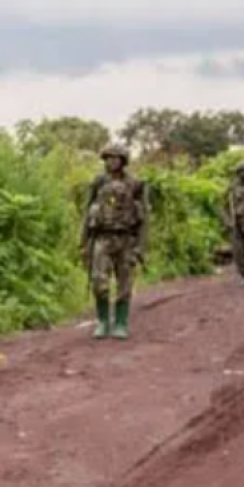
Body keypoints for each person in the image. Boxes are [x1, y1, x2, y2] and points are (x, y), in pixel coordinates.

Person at [81, 143, 148, 340]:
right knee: (98, 281)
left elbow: (144, 219)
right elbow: (87, 212)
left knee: (124, 283)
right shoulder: (99, 181)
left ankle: (120, 323)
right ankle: (102, 321)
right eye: (108, 158)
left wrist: (141, 247)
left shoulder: (135, 183)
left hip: (126, 239)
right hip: (102, 238)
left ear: (123, 161)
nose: (111, 161)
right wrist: (83, 243)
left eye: (116, 158)